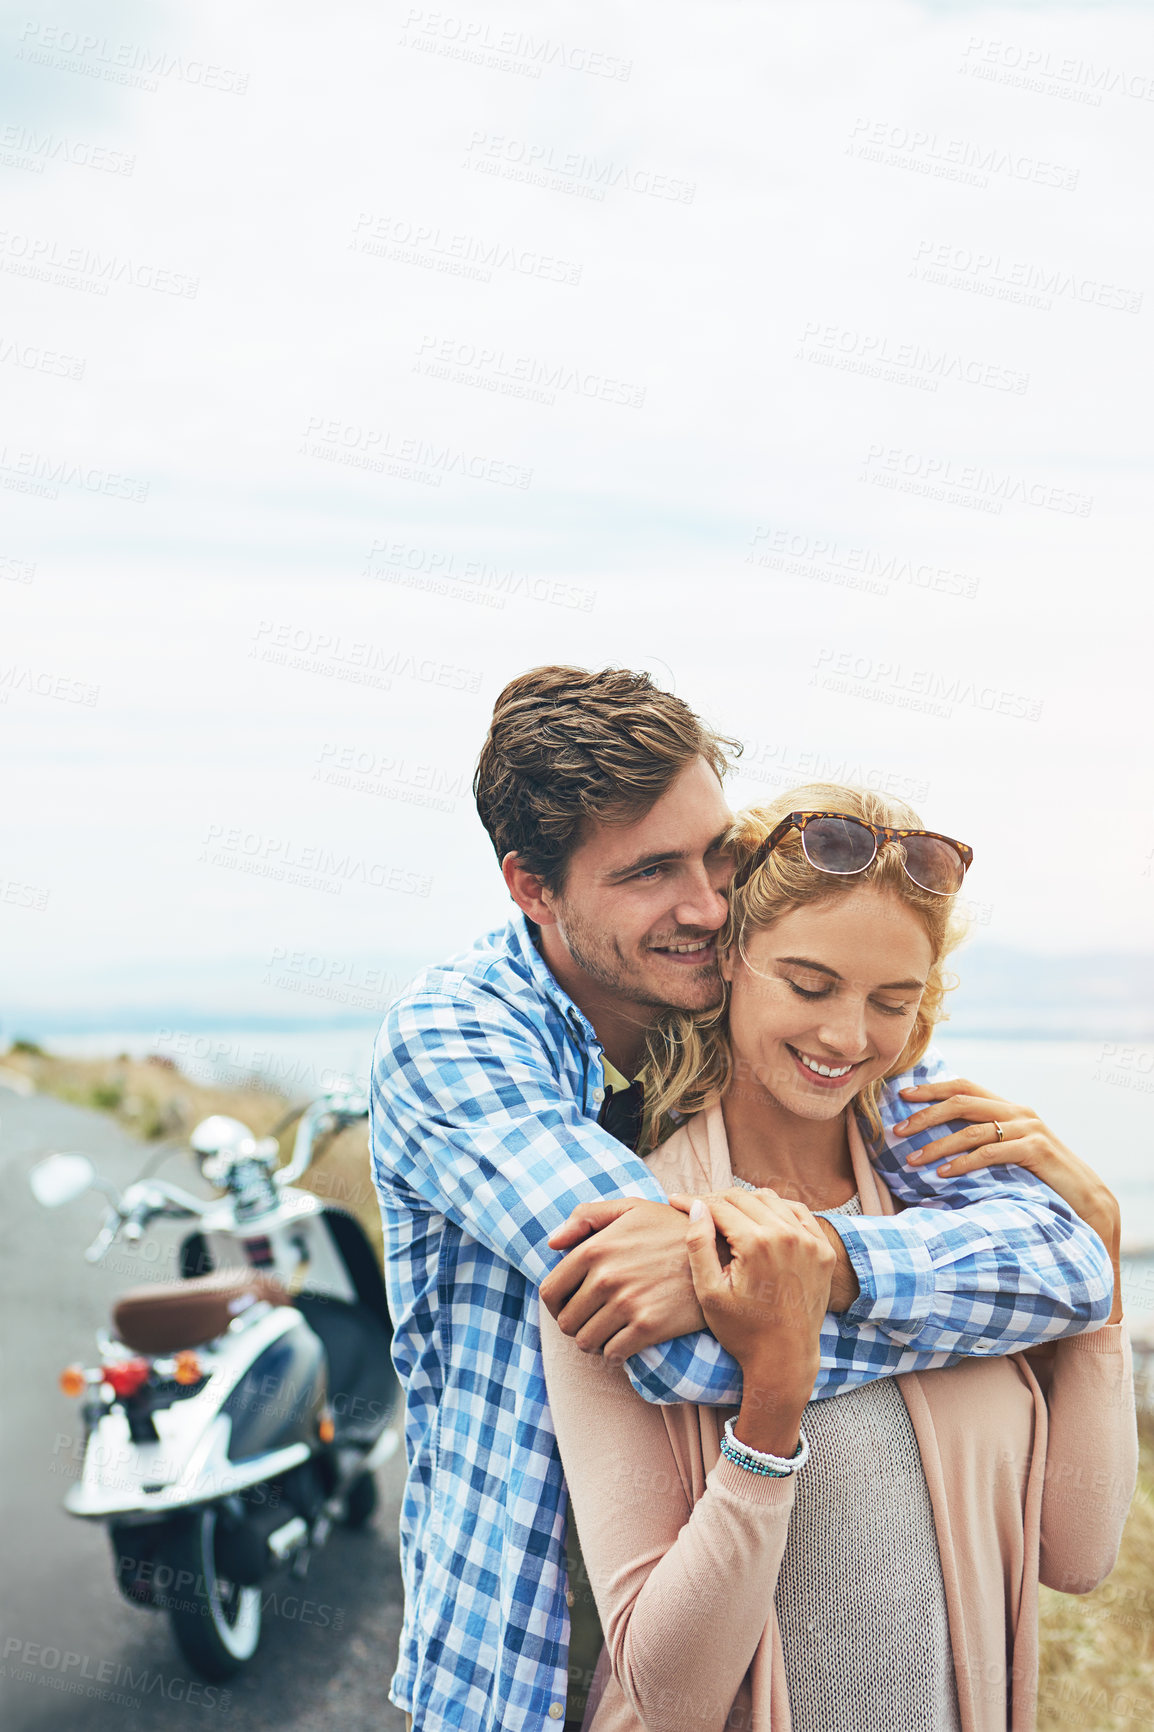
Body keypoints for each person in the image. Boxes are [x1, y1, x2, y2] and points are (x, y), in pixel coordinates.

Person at [369, 666, 1114, 1732]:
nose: (706, 904)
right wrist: (997, 1288)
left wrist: (850, 1264)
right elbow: (687, 1339)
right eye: (649, 872)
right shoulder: (460, 1042)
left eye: (716, 853)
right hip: (529, 1646)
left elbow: (1062, 1260)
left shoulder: (790, 1029)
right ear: (531, 888)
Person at [539, 788, 1136, 1732]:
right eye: (809, 986)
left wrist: (1094, 1256)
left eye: (892, 1001)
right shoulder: (635, 1246)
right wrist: (772, 1406)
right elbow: (669, 1694)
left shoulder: (971, 1225)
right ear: (730, 957)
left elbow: (1077, 1554)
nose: (847, 1038)